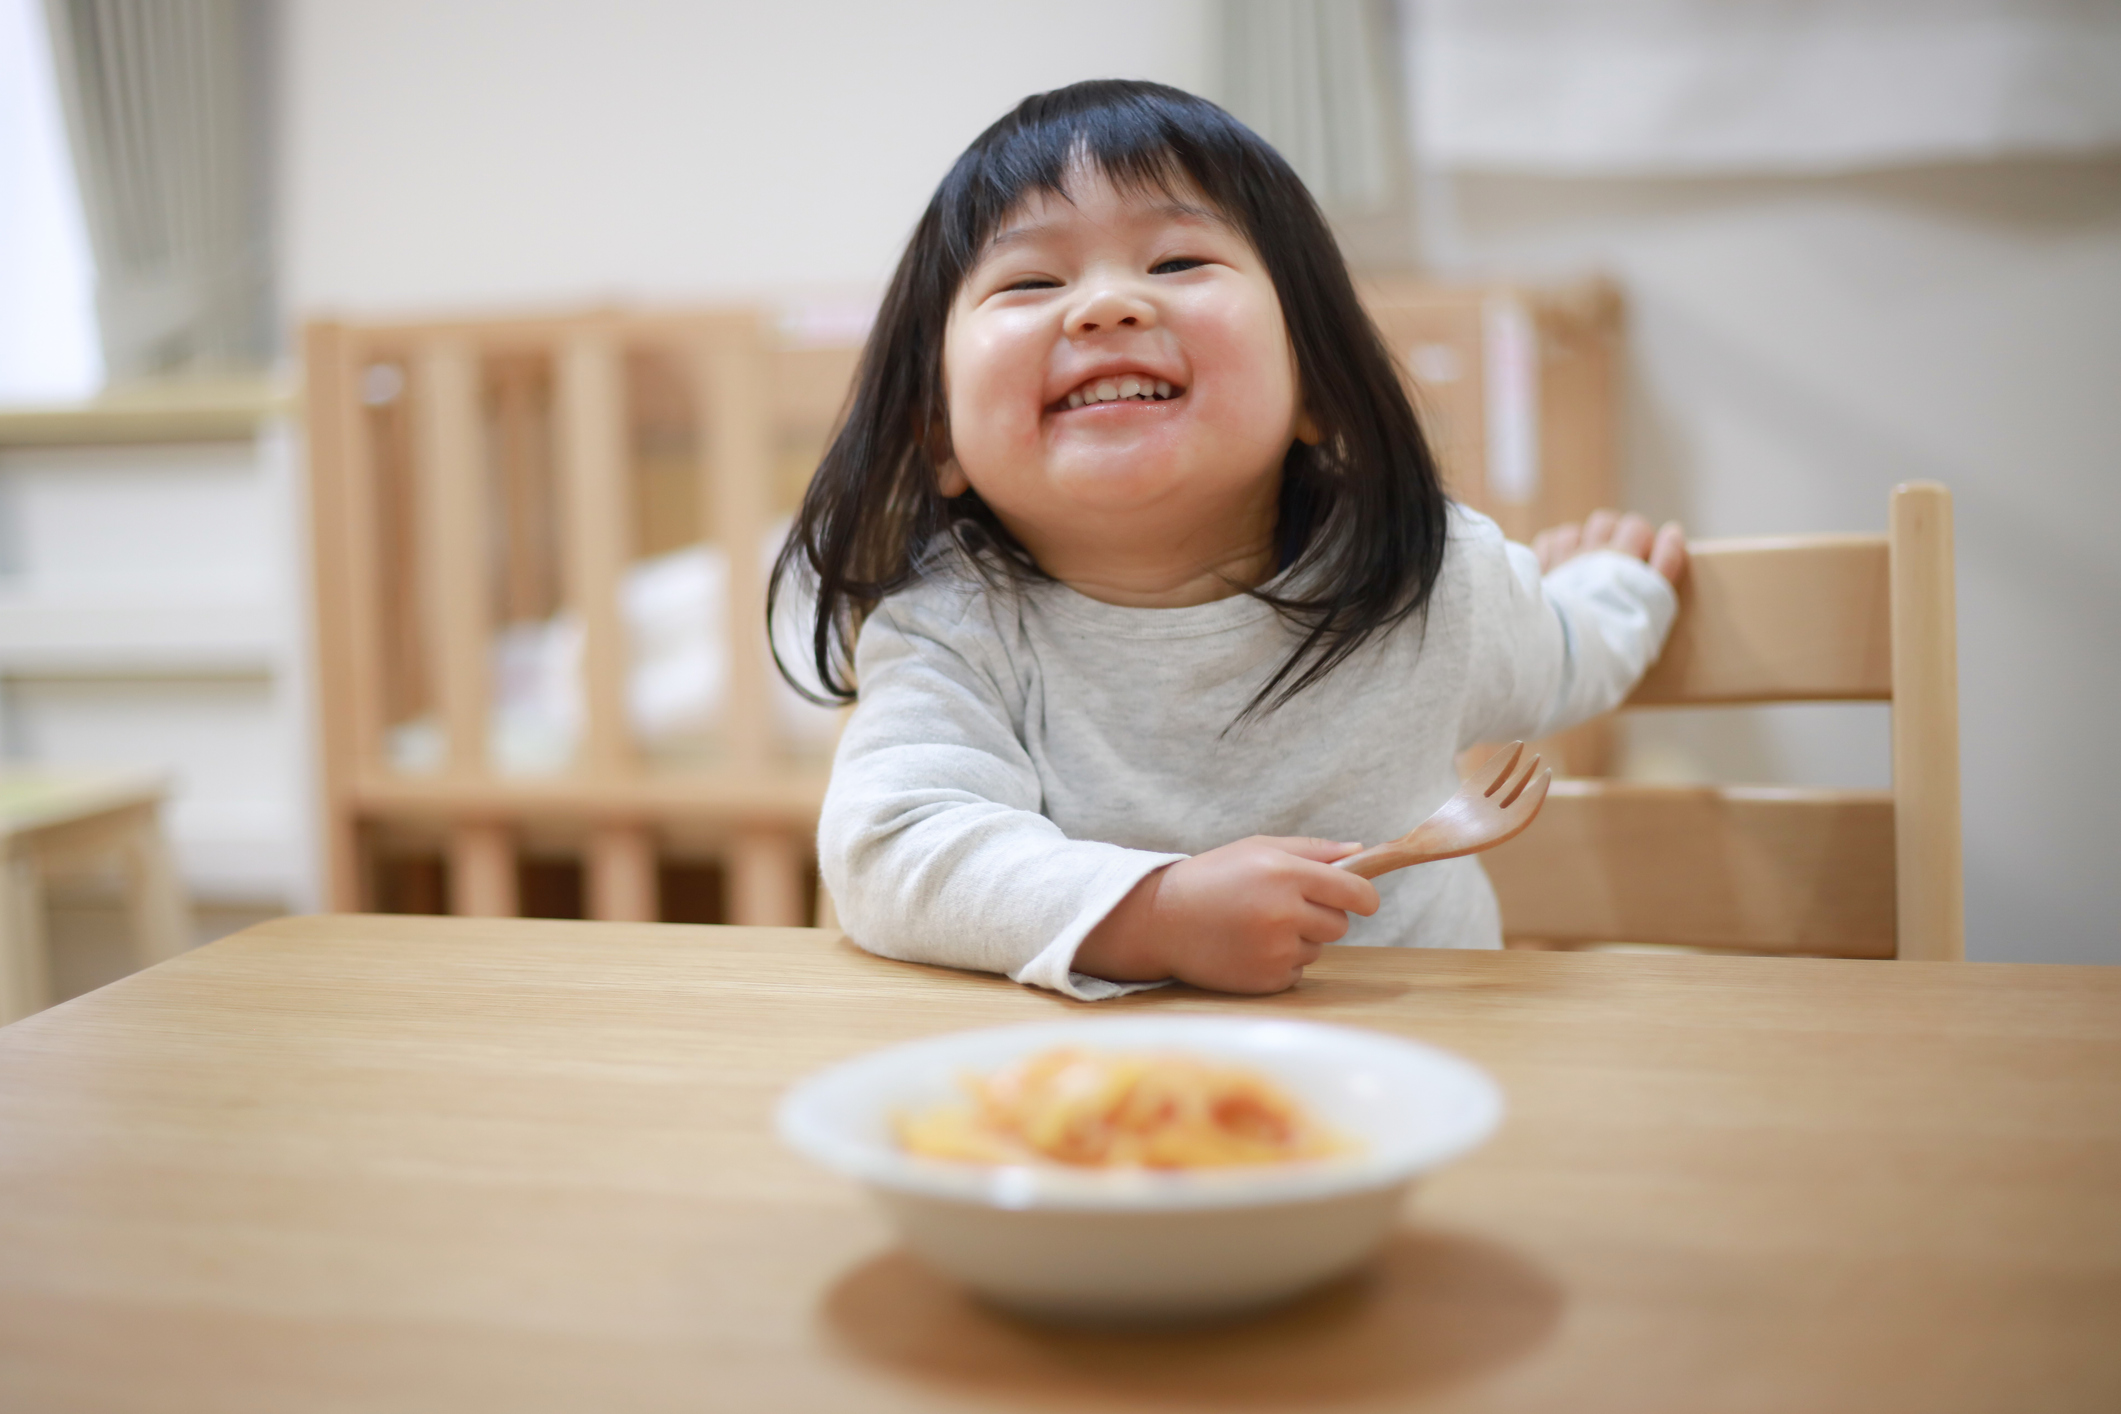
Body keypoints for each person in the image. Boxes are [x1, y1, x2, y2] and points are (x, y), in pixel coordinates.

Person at [770, 80, 1686, 1001]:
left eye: (1175, 262)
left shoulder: (1428, 577)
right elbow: (889, 848)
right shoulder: (951, 626)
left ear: (1316, 386)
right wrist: (1151, 913)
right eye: (1031, 281)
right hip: (1095, 1097)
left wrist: (1618, 583)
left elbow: (1569, 653)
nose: (1104, 306)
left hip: (1418, 1060)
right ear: (937, 434)